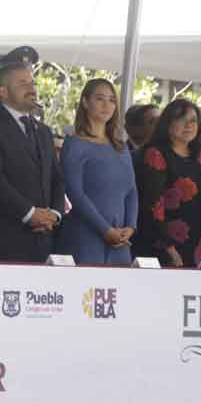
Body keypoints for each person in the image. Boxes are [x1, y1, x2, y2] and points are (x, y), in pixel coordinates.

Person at [0, 49, 65, 262]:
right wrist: (30, 214)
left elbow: (57, 179)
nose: (31, 89)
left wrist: (55, 215)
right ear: (2, 91)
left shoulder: (43, 131)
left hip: (43, 240)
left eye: (32, 83)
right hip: (4, 241)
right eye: (23, 84)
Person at [133, 99, 201, 268]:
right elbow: (152, 207)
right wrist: (168, 249)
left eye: (193, 120)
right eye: (181, 119)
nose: (189, 125)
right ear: (168, 123)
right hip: (171, 251)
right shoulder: (156, 154)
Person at [58, 79, 137, 265]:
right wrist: (105, 230)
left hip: (120, 240)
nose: (106, 105)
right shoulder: (75, 144)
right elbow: (75, 193)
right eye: (100, 98)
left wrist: (131, 227)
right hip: (87, 235)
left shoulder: (121, 146)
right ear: (85, 102)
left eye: (111, 100)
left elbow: (131, 189)